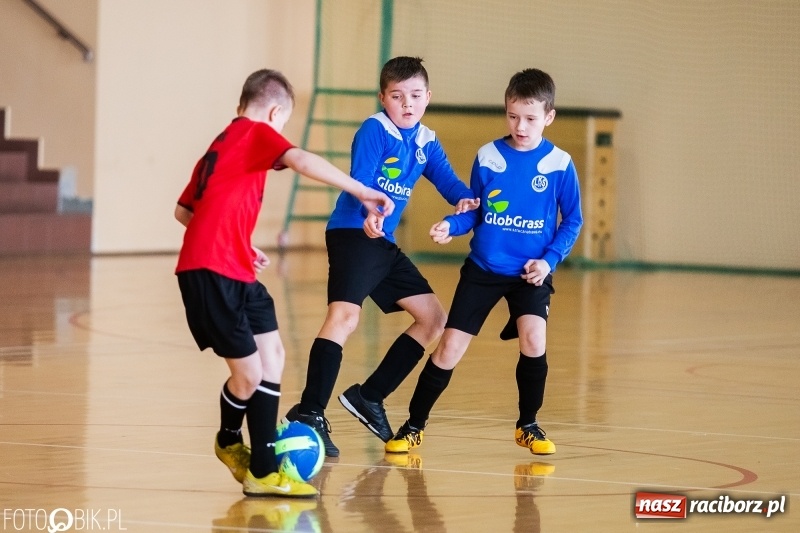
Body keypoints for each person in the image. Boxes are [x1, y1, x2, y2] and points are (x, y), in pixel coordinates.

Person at [174, 69, 395, 497]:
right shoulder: (255, 132)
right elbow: (302, 160)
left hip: (234, 267)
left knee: (272, 355)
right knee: (249, 375)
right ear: (275, 113)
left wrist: (239, 241)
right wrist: (362, 190)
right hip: (209, 272)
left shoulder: (220, 147)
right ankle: (231, 441)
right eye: (283, 126)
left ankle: (263, 470)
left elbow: (185, 212)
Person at [283, 56, 479, 457]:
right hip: (354, 233)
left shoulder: (426, 140)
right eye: (397, 95)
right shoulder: (376, 129)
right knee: (344, 317)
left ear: (428, 97)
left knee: (433, 318)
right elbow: (362, 180)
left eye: (416, 95)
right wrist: (371, 213)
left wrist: (466, 200)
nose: (407, 103)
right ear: (383, 98)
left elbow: (449, 182)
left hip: (382, 243)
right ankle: (311, 413)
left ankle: (369, 396)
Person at [384, 68, 583, 456]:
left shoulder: (560, 164)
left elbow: (573, 219)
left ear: (549, 116)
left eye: (530, 118)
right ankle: (413, 425)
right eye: (513, 116)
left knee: (534, 338)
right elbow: (475, 210)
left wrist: (549, 261)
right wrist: (451, 224)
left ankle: (528, 425)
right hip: (483, 270)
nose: (520, 126)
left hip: (530, 274)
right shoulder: (489, 156)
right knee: (449, 348)